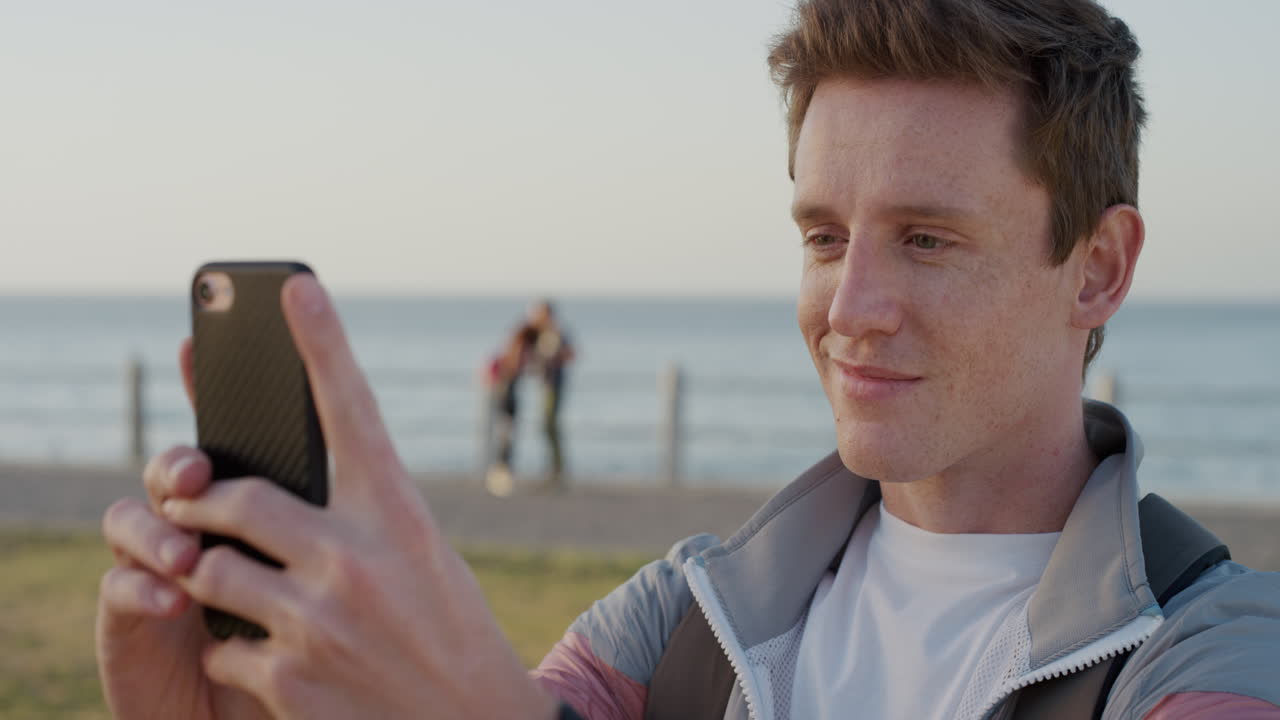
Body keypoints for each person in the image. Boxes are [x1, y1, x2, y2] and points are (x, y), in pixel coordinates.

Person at [94, 1, 1280, 719]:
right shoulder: (684, 616)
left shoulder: (1213, 654)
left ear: (1096, 269)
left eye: (926, 239)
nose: (849, 307)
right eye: (822, 237)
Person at [484, 323, 539, 496]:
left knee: (504, 434)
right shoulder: (518, 350)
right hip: (507, 394)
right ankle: (501, 475)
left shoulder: (511, 347)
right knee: (506, 435)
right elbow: (515, 369)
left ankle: (500, 473)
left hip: (504, 393)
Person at [525, 299, 575, 490]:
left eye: (539, 313)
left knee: (549, 425)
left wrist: (555, 359)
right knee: (546, 426)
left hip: (554, 385)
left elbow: (571, 354)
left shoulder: (557, 332)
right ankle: (553, 469)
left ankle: (557, 471)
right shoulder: (540, 333)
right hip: (545, 385)